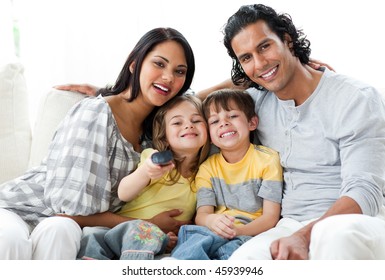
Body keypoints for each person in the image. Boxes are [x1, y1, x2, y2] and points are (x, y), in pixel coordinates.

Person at [205, 4, 385, 260]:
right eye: (246, 58)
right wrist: (251, 75)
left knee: (334, 238)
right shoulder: (255, 105)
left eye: (265, 46)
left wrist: (304, 237)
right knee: (243, 262)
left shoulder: (355, 98)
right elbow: (190, 105)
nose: (258, 62)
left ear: (287, 41)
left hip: (354, 223)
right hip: (288, 225)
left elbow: (364, 192)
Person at [0, 27, 196, 259]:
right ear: (134, 64)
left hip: (61, 226)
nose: (168, 78)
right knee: (10, 239)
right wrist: (147, 224)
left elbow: (201, 104)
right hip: (20, 209)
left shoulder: (155, 133)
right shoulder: (95, 114)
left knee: (60, 231)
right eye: (159, 64)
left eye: (179, 71)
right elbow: (69, 211)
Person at [169, 89, 283, 260]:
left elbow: (270, 217)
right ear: (210, 136)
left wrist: (239, 231)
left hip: (248, 233)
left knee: (234, 253)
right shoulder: (207, 168)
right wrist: (211, 221)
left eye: (233, 116)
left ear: (252, 123)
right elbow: (202, 215)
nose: (223, 123)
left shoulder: (268, 160)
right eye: (214, 121)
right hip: (212, 230)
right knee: (193, 243)